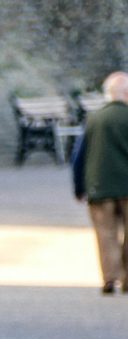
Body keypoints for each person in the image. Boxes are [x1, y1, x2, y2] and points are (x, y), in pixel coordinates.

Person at [72, 71, 128, 295]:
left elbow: (79, 156)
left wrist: (79, 187)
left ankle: (109, 277)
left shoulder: (94, 119)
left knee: (105, 233)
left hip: (99, 186)